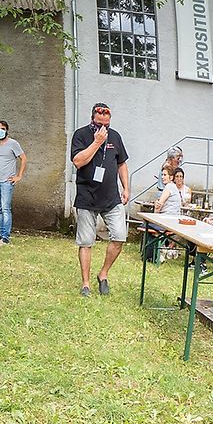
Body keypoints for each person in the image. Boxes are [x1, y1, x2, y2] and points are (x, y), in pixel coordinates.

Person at [71, 102, 129, 297]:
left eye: (106, 125)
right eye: (99, 124)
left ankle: (103, 274)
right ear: (92, 120)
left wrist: (126, 188)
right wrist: (96, 142)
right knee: (86, 241)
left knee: (119, 236)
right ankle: (86, 284)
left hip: (111, 197)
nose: (103, 128)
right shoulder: (81, 135)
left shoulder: (116, 137)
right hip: (87, 197)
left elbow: (121, 164)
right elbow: (78, 161)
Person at [0, 120, 26, 246]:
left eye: (3, 129)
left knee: (5, 209)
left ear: (7, 130)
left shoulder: (13, 143)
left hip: (7, 181)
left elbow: (23, 158)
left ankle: (5, 237)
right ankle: (0, 234)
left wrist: (19, 176)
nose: (0, 131)